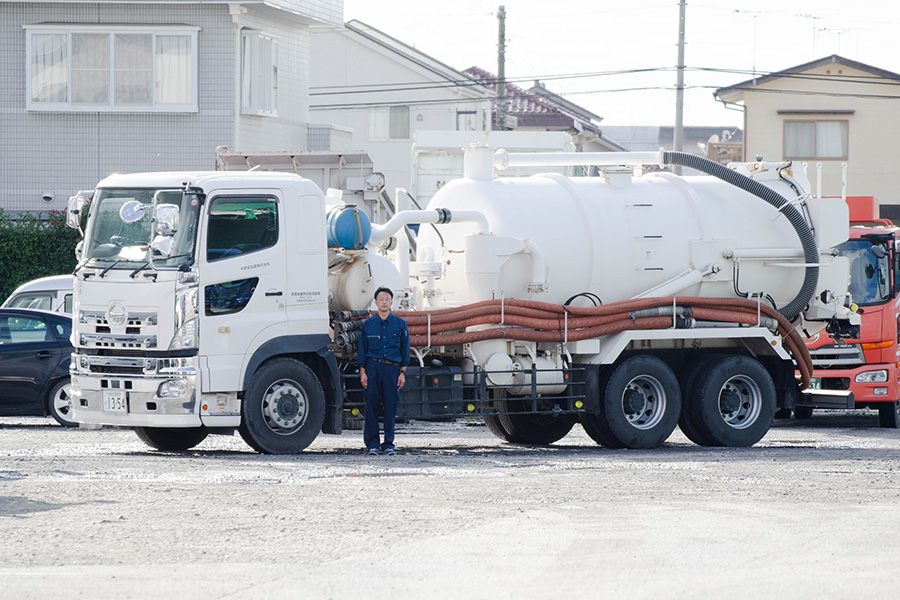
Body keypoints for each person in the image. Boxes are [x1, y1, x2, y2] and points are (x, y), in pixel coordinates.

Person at [358, 286, 410, 455]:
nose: (384, 302)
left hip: (392, 369)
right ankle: (372, 444)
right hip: (373, 367)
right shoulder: (368, 325)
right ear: (376, 302)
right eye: (381, 299)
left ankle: (388, 444)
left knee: (390, 406)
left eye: (387, 299)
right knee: (372, 406)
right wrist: (363, 372)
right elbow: (362, 350)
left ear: (391, 302)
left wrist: (403, 372)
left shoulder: (400, 324)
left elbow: (405, 348)